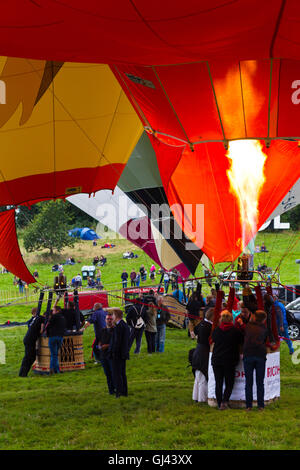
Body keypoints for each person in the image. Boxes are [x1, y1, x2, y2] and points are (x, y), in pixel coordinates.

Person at [211, 310, 243, 410]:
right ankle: (225, 401)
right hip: (230, 360)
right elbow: (241, 341)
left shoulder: (216, 330)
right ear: (231, 319)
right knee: (229, 383)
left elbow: (214, 340)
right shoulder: (235, 331)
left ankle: (220, 402)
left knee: (218, 383)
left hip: (217, 359)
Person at [242, 310, 268, 411]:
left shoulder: (248, 326)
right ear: (264, 319)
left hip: (248, 354)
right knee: (259, 382)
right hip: (260, 354)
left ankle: (249, 406)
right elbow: (267, 339)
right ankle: (260, 405)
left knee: (248, 382)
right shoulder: (264, 328)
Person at [192, 308, 214, 402]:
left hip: (198, 350)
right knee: (202, 377)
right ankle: (202, 398)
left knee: (199, 376)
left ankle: (197, 396)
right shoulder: (208, 326)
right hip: (203, 351)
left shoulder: (202, 323)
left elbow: (195, 330)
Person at [109, 308, 130, 398]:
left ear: (116, 316)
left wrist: (112, 352)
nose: (112, 317)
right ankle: (124, 391)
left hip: (117, 354)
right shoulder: (124, 325)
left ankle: (119, 392)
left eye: (113, 315)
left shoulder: (119, 327)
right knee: (122, 373)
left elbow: (117, 342)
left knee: (117, 374)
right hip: (123, 353)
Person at [19, 308, 45, 377]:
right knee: (28, 357)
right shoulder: (40, 318)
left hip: (28, 339)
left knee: (31, 356)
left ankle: (24, 372)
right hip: (30, 340)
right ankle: (23, 374)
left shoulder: (31, 320)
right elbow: (42, 329)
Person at [45, 302, 66, 374]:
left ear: (57, 311)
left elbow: (48, 325)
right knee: (55, 354)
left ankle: (55, 370)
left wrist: (46, 333)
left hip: (53, 337)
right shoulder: (63, 317)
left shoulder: (53, 317)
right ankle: (53, 369)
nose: (52, 312)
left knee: (54, 354)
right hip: (60, 337)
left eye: (53, 310)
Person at [97, 312, 116, 395]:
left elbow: (117, 342)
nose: (109, 320)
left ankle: (116, 388)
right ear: (105, 320)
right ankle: (111, 390)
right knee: (107, 374)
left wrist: (107, 346)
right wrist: (100, 346)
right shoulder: (102, 330)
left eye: (111, 319)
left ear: (113, 320)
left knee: (114, 373)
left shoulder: (115, 330)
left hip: (112, 355)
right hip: (103, 356)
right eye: (108, 319)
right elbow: (98, 341)